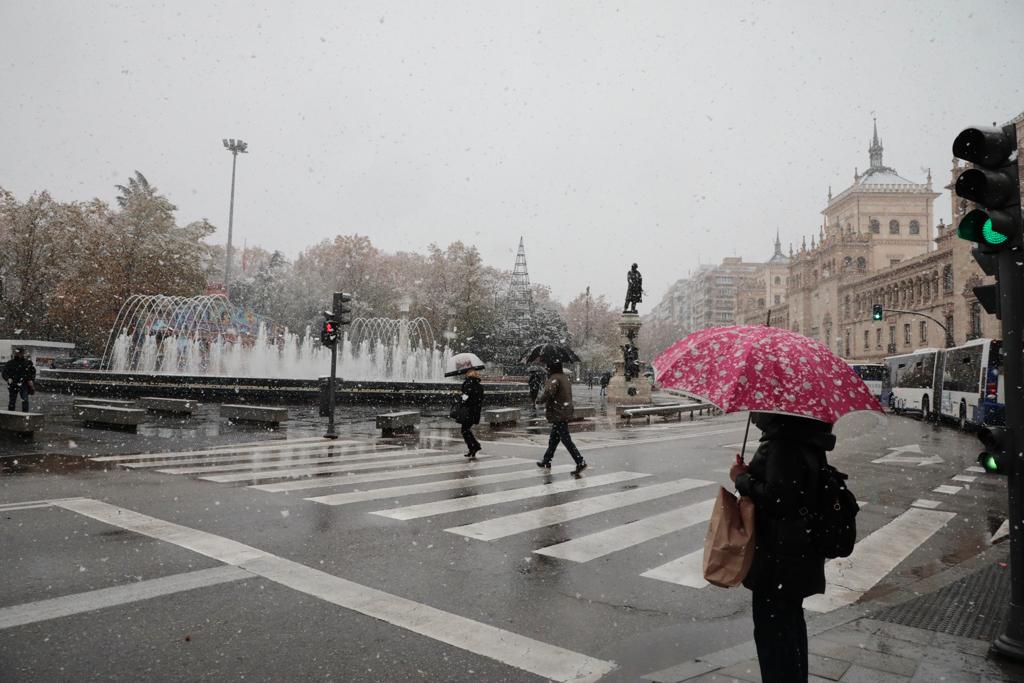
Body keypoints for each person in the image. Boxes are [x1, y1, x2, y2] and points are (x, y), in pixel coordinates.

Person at [729, 412, 831, 683]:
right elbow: (790, 491)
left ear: (773, 412)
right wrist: (754, 473)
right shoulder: (805, 437)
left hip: (777, 560)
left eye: (758, 410)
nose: (753, 415)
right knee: (790, 633)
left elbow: (779, 499)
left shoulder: (782, 444)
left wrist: (741, 478)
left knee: (774, 639)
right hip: (796, 555)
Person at [535, 360, 587, 475]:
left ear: (551, 368)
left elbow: (549, 392)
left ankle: (580, 462)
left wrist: (540, 400)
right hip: (564, 411)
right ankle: (546, 460)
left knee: (566, 440)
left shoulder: (554, 378)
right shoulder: (564, 378)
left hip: (558, 412)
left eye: (548, 367)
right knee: (554, 439)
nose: (547, 369)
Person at [457, 367, 484, 458]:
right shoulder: (479, 385)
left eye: (467, 372)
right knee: (466, 429)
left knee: (464, 430)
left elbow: (466, 397)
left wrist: (461, 398)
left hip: (468, 411)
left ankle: (474, 447)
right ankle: (474, 447)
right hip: (475, 411)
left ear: (469, 374)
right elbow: (479, 398)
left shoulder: (469, 383)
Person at [3, 348, 36, 412]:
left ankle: (23, 414)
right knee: (13, 400)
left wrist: (31, 380)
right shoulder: (11, 363)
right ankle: (13, 414)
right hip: (14, 384)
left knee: (24, 400)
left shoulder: (27, 363)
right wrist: (8, 378)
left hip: (23, 383)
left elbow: (32, 372)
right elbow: (4, 373)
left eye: (20, 353)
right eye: (17, 353)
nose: (18, 354)